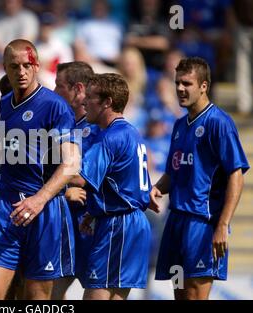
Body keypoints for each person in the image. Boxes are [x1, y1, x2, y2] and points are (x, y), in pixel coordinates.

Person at [0, 39, 80, 300]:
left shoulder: (55, 106)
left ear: (36, 66)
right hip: (6, 207)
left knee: (36, 297)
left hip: (44, 210)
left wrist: (39, 199)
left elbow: (71, 163)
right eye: (14, 66)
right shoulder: (4, 104)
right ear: (5, 68)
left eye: (27, 65)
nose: (21, 72)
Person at [150, 57, 250, 300]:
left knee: (195, 297)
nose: (180, 89)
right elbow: (174, 173)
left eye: (187, 83)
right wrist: (157, 188)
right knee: (180, 296)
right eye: (177, 83)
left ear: (204, 86)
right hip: (176, 221)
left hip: (202, 223)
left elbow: (236, 175)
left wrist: (223, 225)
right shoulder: (179, 125)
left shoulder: (219, 123)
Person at [71, 73, 152, 300]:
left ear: (107, 102)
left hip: (118, 225)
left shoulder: (110, 137)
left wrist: (43, 179)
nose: (84, 102)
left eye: (90, 97)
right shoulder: (131, 132)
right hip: (132, 222)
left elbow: (80, 179)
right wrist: (93, 211)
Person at [51, 61, 100, 299]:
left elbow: (93, 177)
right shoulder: (62, 125)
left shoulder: (99, 128)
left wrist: (70, 186)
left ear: (78, 88)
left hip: (90, 224)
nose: (54, 91)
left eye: (59, 86)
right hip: (65, 220)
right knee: (49, 294)